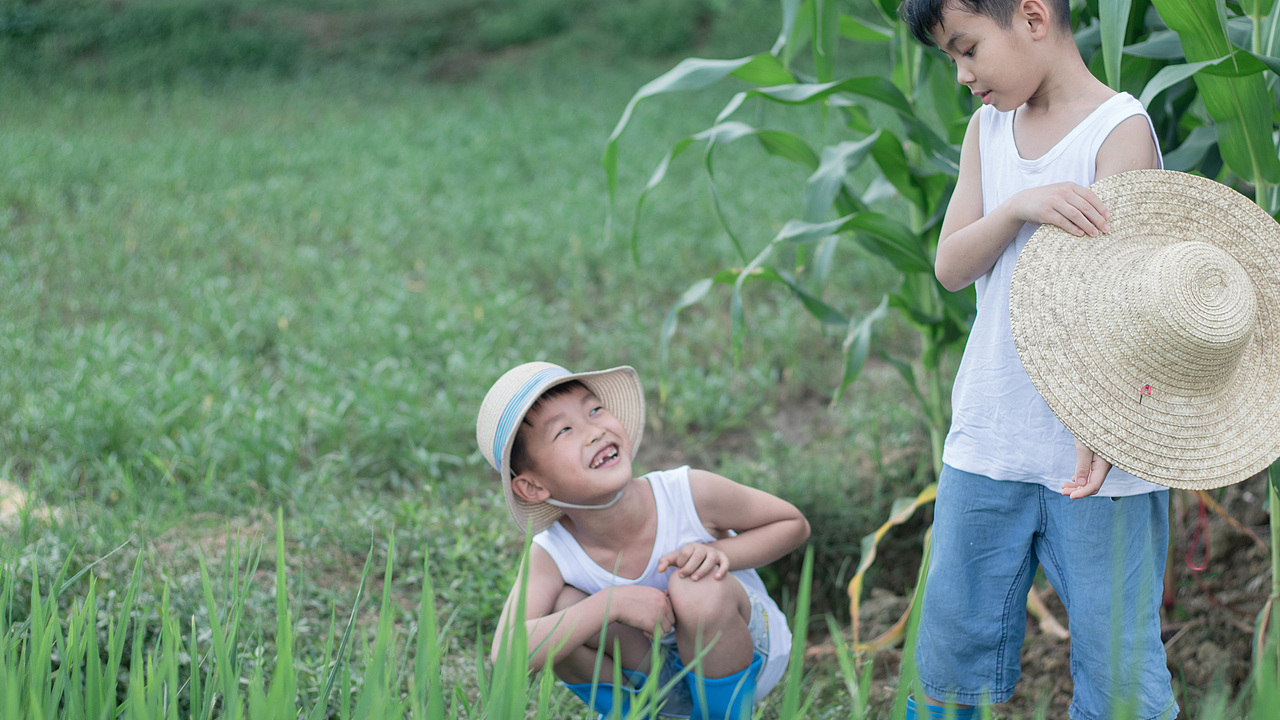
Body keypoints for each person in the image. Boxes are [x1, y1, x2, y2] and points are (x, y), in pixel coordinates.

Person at [895, 1, 1177, 718]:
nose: (961, 75)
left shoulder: (1119, 132)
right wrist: (1020, 206)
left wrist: (1100, 413)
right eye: (950, 59)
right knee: (953, 652)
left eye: (967, 49)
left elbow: (1128, 294)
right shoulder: (988, 130)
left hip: (1098, 455)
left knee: (1118, 668)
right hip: (991, 437)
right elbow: (952, 266)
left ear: (1030, 16)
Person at [476, 361, 810, 719]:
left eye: (595, 410)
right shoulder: (552, 553)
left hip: (747, 654)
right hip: (661, 676)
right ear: (534, 487)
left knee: (693, 585)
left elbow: (792, 523)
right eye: (565, 431)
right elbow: (506, 654)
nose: (594, 431)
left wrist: (716, 553)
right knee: (563, 613)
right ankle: (646, 714)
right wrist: (610, 604)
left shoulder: (687, 493)